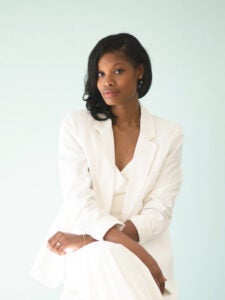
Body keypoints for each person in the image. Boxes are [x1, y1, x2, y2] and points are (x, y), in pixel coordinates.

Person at [31, 33, 183, 300]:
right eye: (100, 74)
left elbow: (160, 211)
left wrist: (92, 240)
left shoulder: (169, 134)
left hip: (124, 243)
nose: (107, 82)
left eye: (117, 71)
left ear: (139, 71)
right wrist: (139, 256)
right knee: (103, 256)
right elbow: (79, 202)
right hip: (94, 250)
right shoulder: (77, 126)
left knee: (105, 254)